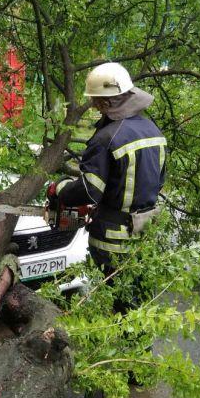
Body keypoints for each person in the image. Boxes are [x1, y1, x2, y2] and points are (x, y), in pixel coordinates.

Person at [49, 62, 166, 313]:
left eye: (95, 101)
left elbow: (90, 190)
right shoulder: (153, 131)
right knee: (138, 302)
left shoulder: (106, 137)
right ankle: (137, 337)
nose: (93, 105)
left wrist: (61, 189)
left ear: (104, 102)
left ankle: (118, 335)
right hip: (145, 234)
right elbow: (159, 180)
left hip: (112, 240)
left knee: (118, 303)